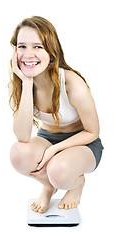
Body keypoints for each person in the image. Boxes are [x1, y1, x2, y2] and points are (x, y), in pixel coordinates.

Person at [8, 16, 104, 213]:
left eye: (38, 47)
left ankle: (76, 184)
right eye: (22, 46)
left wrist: (53, 151)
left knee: (58, 170)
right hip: (47, 138)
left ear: (51, 51)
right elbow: (22, 136)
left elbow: (92, 132)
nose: (28, 54)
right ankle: (49, 186)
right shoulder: (21, 81)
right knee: (18, 153)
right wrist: (26, 84)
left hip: (83, 142)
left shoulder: (72, 84)